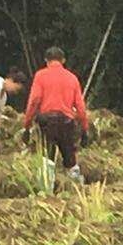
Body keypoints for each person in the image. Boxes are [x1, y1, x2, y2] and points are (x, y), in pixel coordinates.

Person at [23, 47, 90, 182]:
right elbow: (80, 107)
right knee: (70, 158)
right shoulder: (72, 78)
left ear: (46, 61)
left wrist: (27, 125)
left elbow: (34, 100)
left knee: (47, 158)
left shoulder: (41, 76)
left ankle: (46, 190)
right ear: (63, 60)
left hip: (46, 122)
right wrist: (84, 129)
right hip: (67, 122)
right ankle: (77, 189)